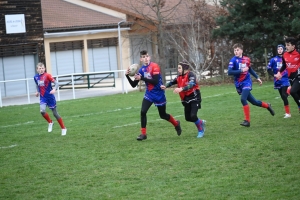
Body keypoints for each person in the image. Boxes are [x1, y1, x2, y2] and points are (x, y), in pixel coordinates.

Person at [125, 50, 181, 141]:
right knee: (143, 112)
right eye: (143, 57)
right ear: (141, 59)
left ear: (149, 57)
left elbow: (155, 81)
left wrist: (141, 78)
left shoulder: (154, 66)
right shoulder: (141, 70)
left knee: (163, 115)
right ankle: (143, 134)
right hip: (149, 94)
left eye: (147, 56)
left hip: (159, 93)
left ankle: (176, 124)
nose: (145, 58)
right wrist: (127, 75)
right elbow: (133, 85)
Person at [228, 43, 275, 127]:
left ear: (242, 50)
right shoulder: (233, 60)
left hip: (247, 82)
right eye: (234, 50)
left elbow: (250, 69)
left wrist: (257, 77)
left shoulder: (247, 59)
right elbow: (229, 72)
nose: (236, 52)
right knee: (254, 102)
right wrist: (241, 70)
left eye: (237, 50)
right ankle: (267, 105)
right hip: (238, 84)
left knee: (243, 99)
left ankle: (247, 121)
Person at [161, 61, 206, 138]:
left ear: (184, 68)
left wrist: (181, 89)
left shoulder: (191, 75)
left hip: (194, 98)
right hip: (185, 99)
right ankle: (200, 122)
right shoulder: (179, 77)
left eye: (179, 68)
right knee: (188, 118)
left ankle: (201, 130)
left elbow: (191, 85)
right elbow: (172, 82)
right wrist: (165, 86)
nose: (178, 69)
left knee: (193, 115)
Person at [34, 62, 67, 136]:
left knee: (55, 114)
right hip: (43, 97)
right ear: (37, 69)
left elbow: (57, 83)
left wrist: (54, 89)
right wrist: (37, 91)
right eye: (40, 68)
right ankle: (50, 122)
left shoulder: (47, 75)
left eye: (42, 68)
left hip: (50, 97)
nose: (41, 69)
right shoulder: (35, 77)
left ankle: (63, 128)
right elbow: (37, 85)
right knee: (42, 111)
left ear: (44, 68)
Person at [275, 36, 300, 113]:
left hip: (298, 76)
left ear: (293, 46)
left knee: (292, 92)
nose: (286, 47)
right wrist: (279, 72)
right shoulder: (284, 55)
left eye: (288, 45)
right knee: (298, 94)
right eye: (286, 45)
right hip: (290, 77)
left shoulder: (298, 54)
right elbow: (284, 65)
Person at [267, 44, 291, 118]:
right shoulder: (273, 59)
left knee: (284, 95)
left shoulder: (287, 58)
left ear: (284, 49)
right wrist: (275, 75)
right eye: (278, 49)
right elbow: (268, 69)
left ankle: (288, 113)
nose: (279, 50)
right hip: (277, 80)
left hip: (285, 79)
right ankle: (289, 92)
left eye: (281, 49)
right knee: (283, 96)